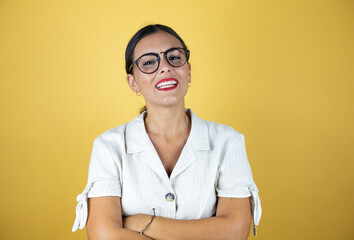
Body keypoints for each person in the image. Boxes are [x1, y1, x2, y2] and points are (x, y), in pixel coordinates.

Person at [72, 24, 262, 240]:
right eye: (149, 62)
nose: (165, 67)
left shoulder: (228, 142)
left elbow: (235, 233)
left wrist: (143, 223)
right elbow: (103, 236)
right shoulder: (108, 146)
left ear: (188, 71)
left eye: (174, 57)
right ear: (133, 83)